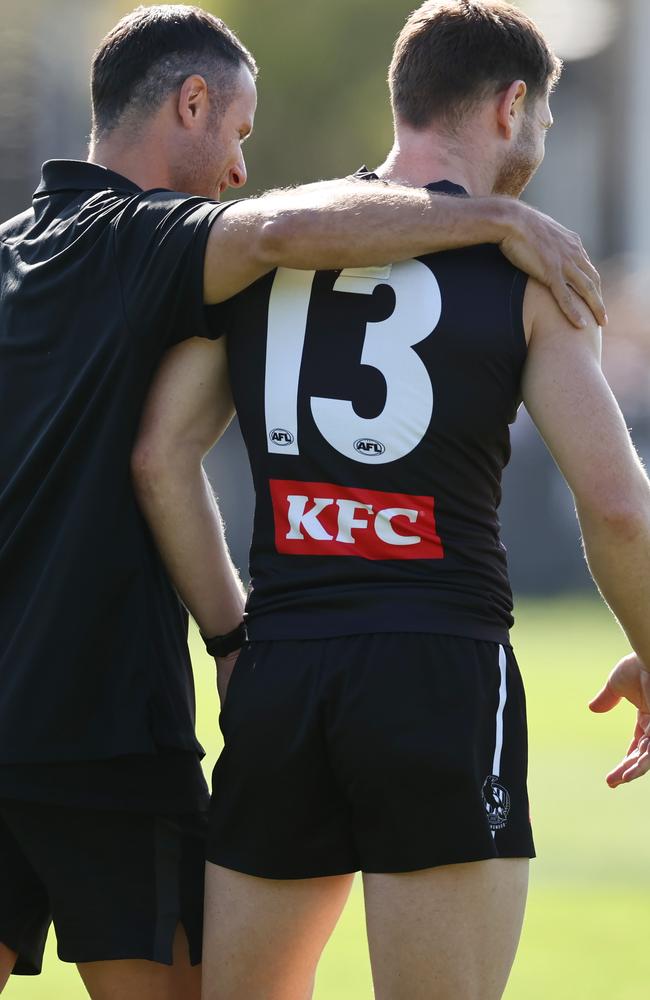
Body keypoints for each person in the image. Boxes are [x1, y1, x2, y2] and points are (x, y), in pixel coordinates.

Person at [0, 5, 605, 997]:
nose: (240, 168)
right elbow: (281, 231)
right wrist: (499, 217)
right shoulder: (160, 239)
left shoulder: (11, 252)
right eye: (236, 134)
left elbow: (159, 451)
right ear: (189, 103)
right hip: (109, 730)